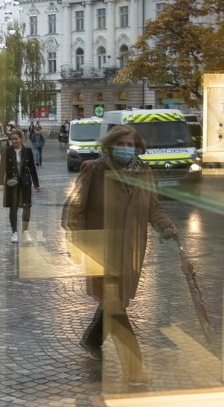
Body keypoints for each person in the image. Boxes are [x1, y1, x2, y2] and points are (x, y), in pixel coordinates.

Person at [63, 125, 177, 382]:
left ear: (138, 148)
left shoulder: (145, 173)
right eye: (122, 143)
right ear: (110, 145)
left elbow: (154, 207)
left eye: (131, 145)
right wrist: (77, 243)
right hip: (100, 250)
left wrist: (166, 224)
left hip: (131, 250)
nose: (126, 149)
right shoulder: (95, 170)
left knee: (117, 301)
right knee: (115, 305)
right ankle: (134, 369)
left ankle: (91, 340)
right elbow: (75, 209)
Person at [0, 129, 40, 243]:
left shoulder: (28, 151)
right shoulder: (7, 151)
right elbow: (2, 168)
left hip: (25, 183)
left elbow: (32, 168)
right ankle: (14, 233)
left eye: (16, 139)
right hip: (11, 183)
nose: (14, 141)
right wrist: (1, 183)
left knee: (26, 207)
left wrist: (36, 184)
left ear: (21, 139)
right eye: (12, 139)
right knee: (13, 207)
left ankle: (25, 232)